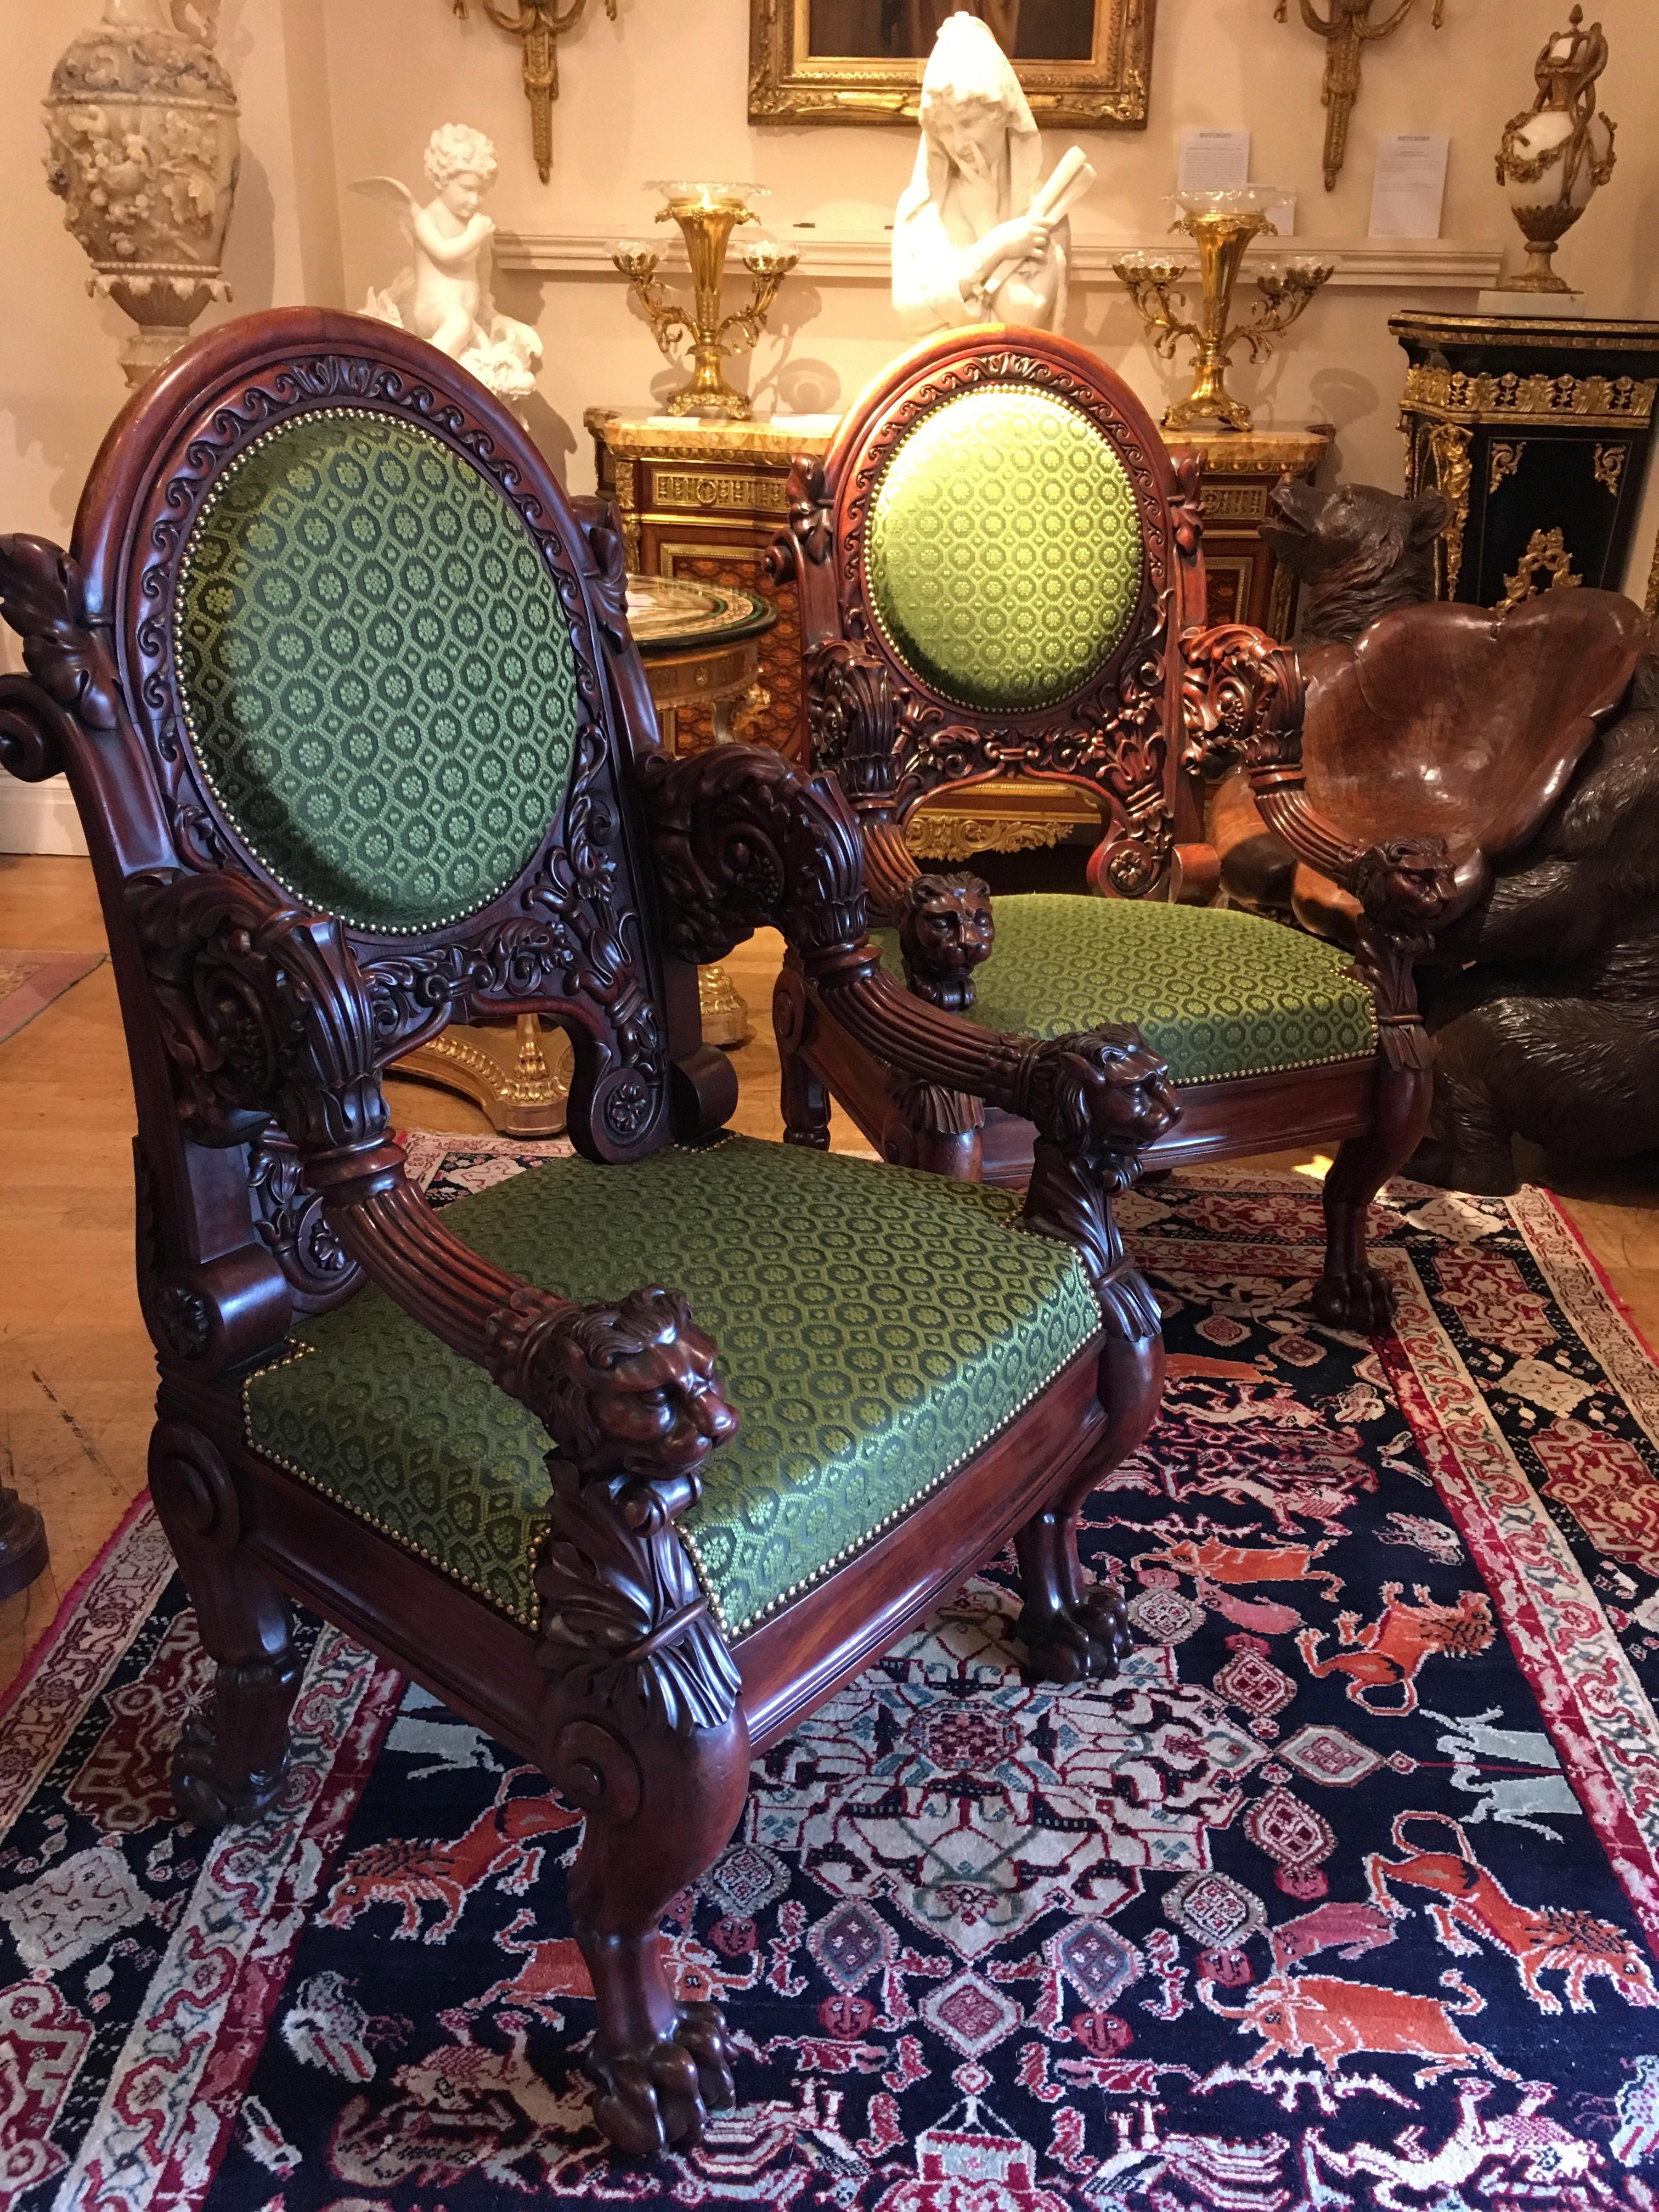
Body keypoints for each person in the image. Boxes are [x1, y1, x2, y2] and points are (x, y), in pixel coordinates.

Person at [891, 13, 1079, 334]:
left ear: (1002, 115)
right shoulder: (919, 207)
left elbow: (1023, 322)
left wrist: (983, 220)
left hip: (1021, 382)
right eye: (945, 129)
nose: (959, 143)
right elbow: (911, 312)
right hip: (936, 376)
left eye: (968, 123)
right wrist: (995, 246)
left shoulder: (1044, 206)